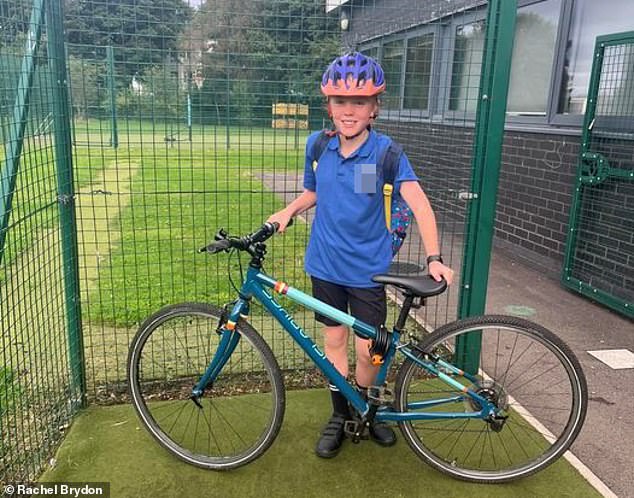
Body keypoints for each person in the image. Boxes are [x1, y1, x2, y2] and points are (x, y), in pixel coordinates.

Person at [267, 52, 454, 458]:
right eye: (340, 102)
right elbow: (314, 192)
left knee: (371, 351)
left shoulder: (387, 154)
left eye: (359, 102)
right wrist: (289, 210)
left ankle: (367, 406)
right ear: (329, 106)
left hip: (369, 273)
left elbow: (420, 204)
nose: (348, 111)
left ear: (374, 108)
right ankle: (342, 414)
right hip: (325, 266)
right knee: (333, 341)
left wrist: (434, 257)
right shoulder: (317, 145)